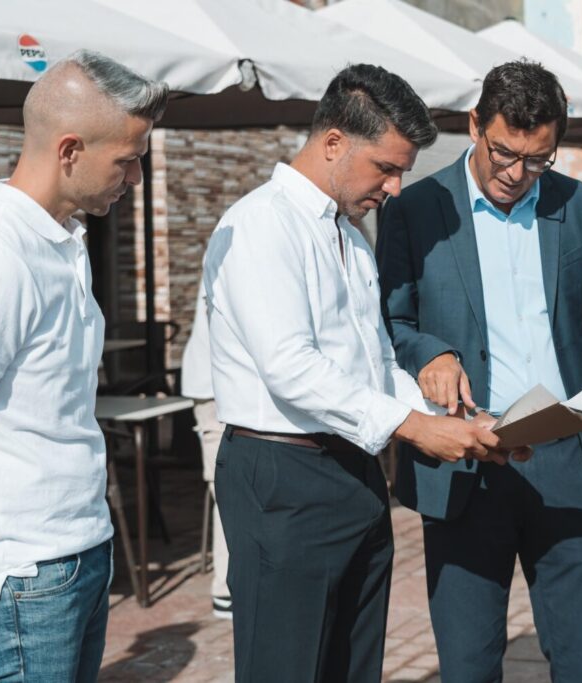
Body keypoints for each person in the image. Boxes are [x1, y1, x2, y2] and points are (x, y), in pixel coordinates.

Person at [203, 63, 520, 683]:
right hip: (282, 480)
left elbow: (375, 364)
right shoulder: (263, 224)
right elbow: (291, 368)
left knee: (354, 668)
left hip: (353, 471)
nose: (398, 187)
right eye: (387, 167)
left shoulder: (348, 233)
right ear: (332, 144)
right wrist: (413, 427)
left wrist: (450, 419)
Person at [377, 60, 582, 683]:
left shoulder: (579, 207)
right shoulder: (416, 208)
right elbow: (390, 324)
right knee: (468, 665)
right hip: (466, 454)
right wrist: (431, 354)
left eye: (538, 159)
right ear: (474, 125)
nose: (518, 175)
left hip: (569, 456)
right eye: (504, 153)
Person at [0, 51, 168, 682]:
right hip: (20, 572)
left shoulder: (62, 240)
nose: (136, 177)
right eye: (128, 158)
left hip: (75, 549)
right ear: (68, 150)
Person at [180, 280, 231, 619]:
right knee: (226, 488)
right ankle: (226, 589)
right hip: (216, 386)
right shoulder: (235, 236)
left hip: (224, 382)